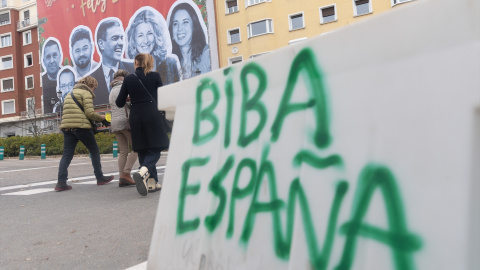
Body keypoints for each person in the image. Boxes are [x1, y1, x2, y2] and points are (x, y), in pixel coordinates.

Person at [116, 53, 169, 196]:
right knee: (156, 147)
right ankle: (143, 170)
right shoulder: (155, 76)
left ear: (136, 63)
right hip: (152, 114)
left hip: (136, 116)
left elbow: (119, 103)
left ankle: (152, 183)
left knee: (143, 149)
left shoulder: (129, 79)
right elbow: (161, 97)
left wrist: (131, 96)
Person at [54, 76, 114, 192]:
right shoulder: (86, 93)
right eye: (94, 88)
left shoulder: (68, 94)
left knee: (67, 155)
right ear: (91, 86)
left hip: (67, 128)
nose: (93, 91)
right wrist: (101, 118)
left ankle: (61, 182)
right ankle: (99, 177)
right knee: (94, 150)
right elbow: (89, 113)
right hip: (81, 128)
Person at [126, 8, 180, 85]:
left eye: (149, 33)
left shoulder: (171, 63)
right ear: (133, 39)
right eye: (140, 35)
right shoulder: (129, 71)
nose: (145, 41)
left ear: (156, 35)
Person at [91, 17, 134, 106]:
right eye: (115, 38)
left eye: (122, 38)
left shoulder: (133, 70)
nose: (121, 43)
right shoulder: (91, 80)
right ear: (101, 44)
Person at [109, 69, 137, 187]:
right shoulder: (124, 87)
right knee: (137, 147)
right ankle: (126, 173)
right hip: (126, 122)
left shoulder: (111, 90)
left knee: (123, 151)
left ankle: (121, 178)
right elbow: (131, 103)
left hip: (115, 123)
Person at [168, 2, 211, 80]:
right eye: (175, 24)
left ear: (194, 26)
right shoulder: (170, 65)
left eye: (185, 22)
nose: (179, 28)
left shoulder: (208, 56)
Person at [42, 38, 63, 114]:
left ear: (60, 56)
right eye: (48, 57)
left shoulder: (68, 77)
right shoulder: (41, 82)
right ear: (44, 61)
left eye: (54, 55)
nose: (52, 61)